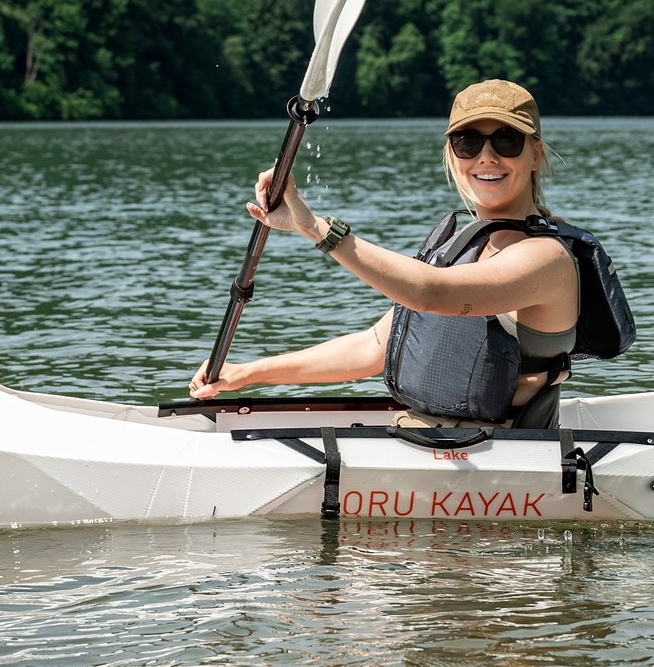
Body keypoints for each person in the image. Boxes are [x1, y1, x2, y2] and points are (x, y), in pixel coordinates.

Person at [189, 79, 631, 429]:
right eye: (468, 142)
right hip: (427, 437)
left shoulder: (545, 258)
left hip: (504, 453)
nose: (487, 156)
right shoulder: (457, 243)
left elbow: (429, 292)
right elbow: (376, 346)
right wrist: (247, 373)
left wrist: (314, 227)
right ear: (452, 154)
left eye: (507, 141)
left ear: (535, 155)